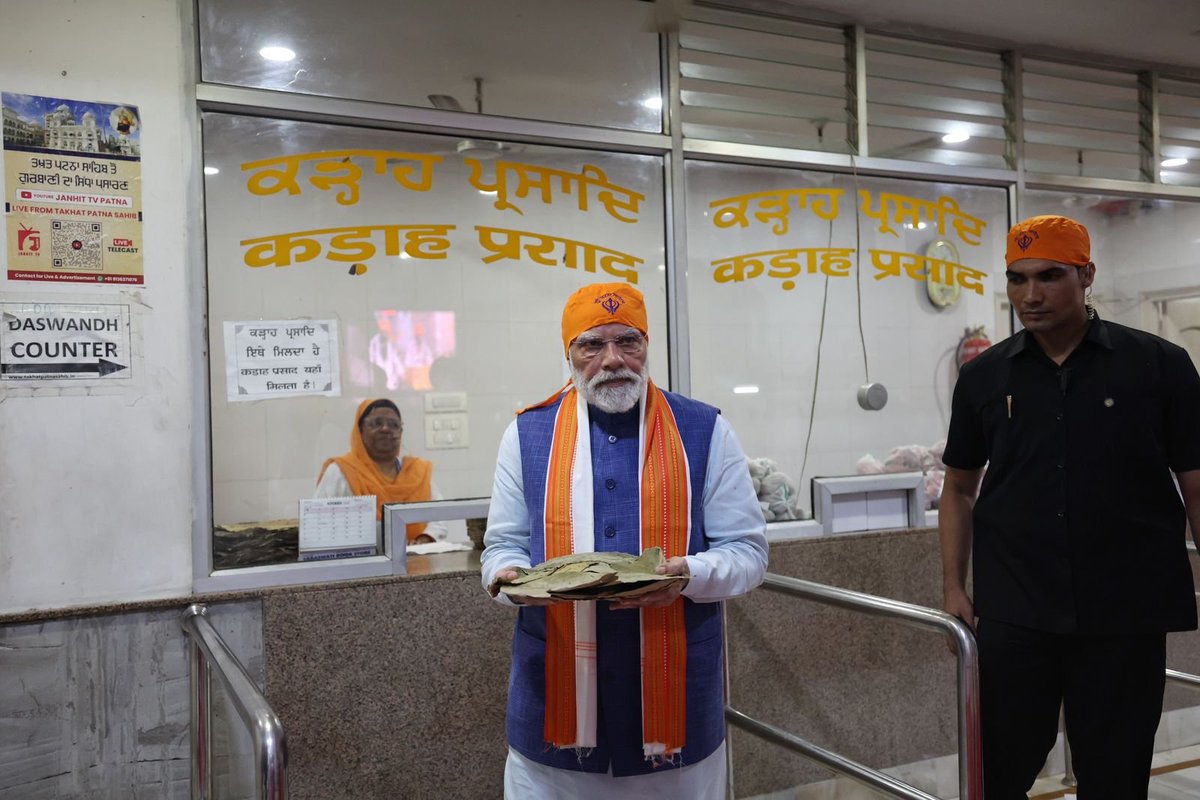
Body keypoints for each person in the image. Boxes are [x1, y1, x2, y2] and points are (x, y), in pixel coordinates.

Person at [939, 215, 1200, 798]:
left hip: (1125, 612)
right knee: (1002, 771)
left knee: (1115, 773)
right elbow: (958, 487)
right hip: (1016, 612)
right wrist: (955, 588)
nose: (1030, 296)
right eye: (1017, 278)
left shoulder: (1158, 366)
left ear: (1087, 275)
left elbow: (1194, 478)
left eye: (1050, 276)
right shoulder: (984, 377)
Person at [481, 282, 768, 799]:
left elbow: (748, 553)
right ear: (568, 353)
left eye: (628, 341)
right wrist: (506, 578)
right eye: (592, 344)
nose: (613, 359)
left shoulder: (706, 430)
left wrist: (688, 576)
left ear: (646, 345)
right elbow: (503, 545)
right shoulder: (526, 434)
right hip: (553, 716)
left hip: (675, 713)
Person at [316, 398, 447, 543]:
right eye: (376, 423)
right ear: (360, 431)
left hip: (417, 559)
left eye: (393, 425)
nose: (385, 429)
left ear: (401, 431)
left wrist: (426, 538)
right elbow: (319, 522)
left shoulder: (417, 472)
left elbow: (439, 515)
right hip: (360, 561)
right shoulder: (341, 471)